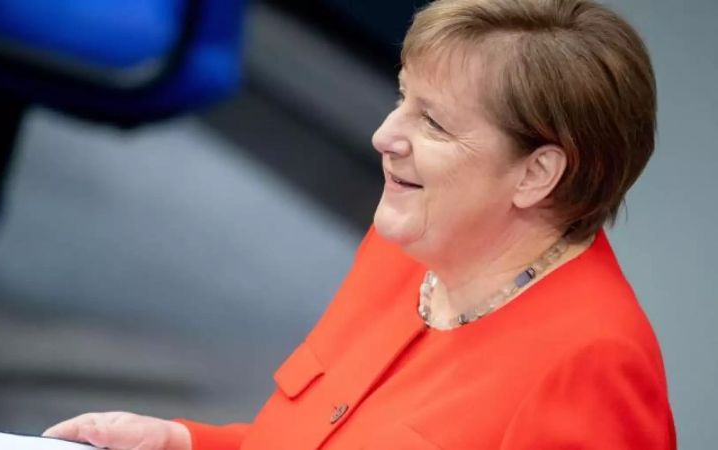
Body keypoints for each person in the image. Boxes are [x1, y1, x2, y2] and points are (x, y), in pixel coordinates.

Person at [43, 0, 676, 448]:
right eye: (403, 98)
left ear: (537, 174)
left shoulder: (593, 369)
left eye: (433, 122)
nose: (383, 135)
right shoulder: (408, 241)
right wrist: (182, 443)